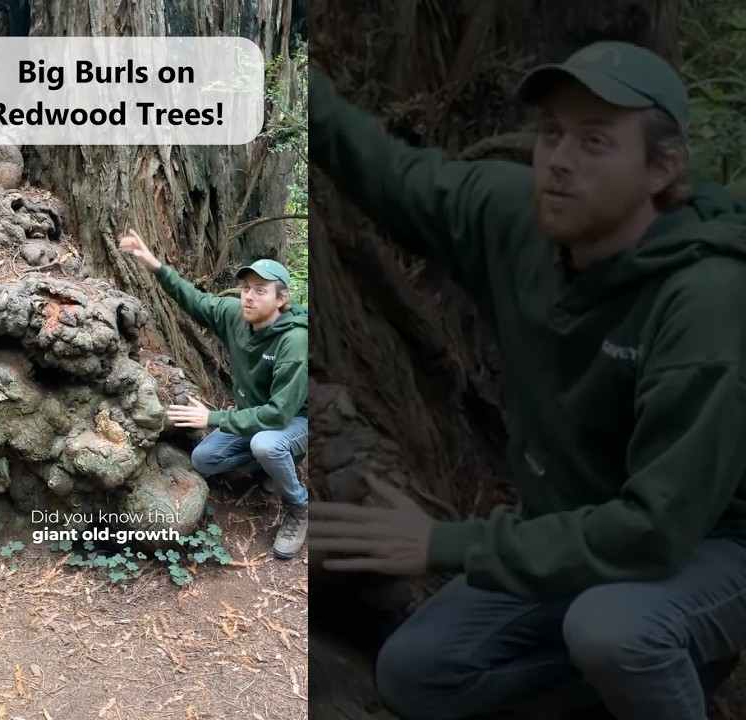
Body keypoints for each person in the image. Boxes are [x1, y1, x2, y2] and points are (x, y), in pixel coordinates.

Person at [307, 40, 746, 720]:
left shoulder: (705, 297)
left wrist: (443, 542)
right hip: (573, 529)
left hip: (708, 547)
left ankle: (666, 668)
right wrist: (285, 81)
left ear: (661, 168)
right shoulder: (517, 218)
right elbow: (392, 176)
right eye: (551, 133)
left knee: (615, 632)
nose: (559, 161)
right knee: (418, 673)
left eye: (595, 141)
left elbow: (658, 531)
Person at [118, 229, 309, 559]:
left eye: (260, 291)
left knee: (267, 443)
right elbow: (195, 300)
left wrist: (212, 418)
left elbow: (279, 414)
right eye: (246, 288)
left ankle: (299, 508)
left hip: (295, 418)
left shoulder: (294, 341)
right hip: (255, 414)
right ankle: (273, 464)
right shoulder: (235, 314)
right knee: (203, 459)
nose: (248, 296)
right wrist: (154, 265)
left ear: (281, 300)